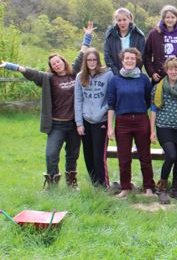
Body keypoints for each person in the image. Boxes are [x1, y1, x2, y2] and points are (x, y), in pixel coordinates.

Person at [1, 25, 93, 189]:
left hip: (74, 124)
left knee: (72, 155)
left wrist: (87, 36)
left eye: (58, 61)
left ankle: (72, 183)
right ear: (52, 67)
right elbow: (30, 72)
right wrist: (10, 65)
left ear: (63, 61)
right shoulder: (48, 79)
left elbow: (82, 52)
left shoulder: (74, 73)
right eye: (53, 64)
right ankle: (52, 185)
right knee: (51, 155)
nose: (57, 65)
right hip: (56, 125)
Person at [107, 48, 154, 199]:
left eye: (132, 59)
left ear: (136, 61)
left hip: (141, 120)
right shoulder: (115, 80)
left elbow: (148, 100)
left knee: (145, 156)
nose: (129, 61)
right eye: (127, 58)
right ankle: (125, 188)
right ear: (122, 60)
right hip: (122, 123)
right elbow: (111, 104)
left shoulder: (144, 79)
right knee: (124, 157)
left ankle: (148, 188)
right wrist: (110, 128)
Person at [150, 57, 177, 204]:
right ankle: (161, 188)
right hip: (164, 127)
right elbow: (154, 110)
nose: (173, 71)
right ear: (166, 70)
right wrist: (152, 131)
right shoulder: (159, 87)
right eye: (170, 69)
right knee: (171, 155)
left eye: (176, 69)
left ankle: (175, 189)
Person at [74, 47, 113, 188]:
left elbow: (111, 98)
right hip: (85, 120)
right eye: (89, 60)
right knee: (88, 154)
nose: (91, 62)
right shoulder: (80, 76)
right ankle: (94, 183)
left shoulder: (107, 75)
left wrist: (101, 111)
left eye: (94, 59)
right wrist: (79, 123)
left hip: (101, 120)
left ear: (98, 60)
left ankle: (104, 184)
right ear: (85, 61)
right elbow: (78, 100)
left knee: (98, 155)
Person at [144, 5, 177, 83]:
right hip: (160, 75)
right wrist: (152, 72)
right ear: (163, 18)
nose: (170, 20)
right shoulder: (154, 33)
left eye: (173, 17)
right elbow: (147, 55)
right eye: (167, 17)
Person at [104, 8, 145, 76]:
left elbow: (142, 56)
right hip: (115, 75)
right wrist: (117, 73)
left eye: (124, 20)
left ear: (130, 20)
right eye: (119, 20)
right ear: (116, 21)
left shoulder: (139, 35)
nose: (122, 23)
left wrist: (132, 72)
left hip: (134, 74)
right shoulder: (110, 35)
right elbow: (107, 57)